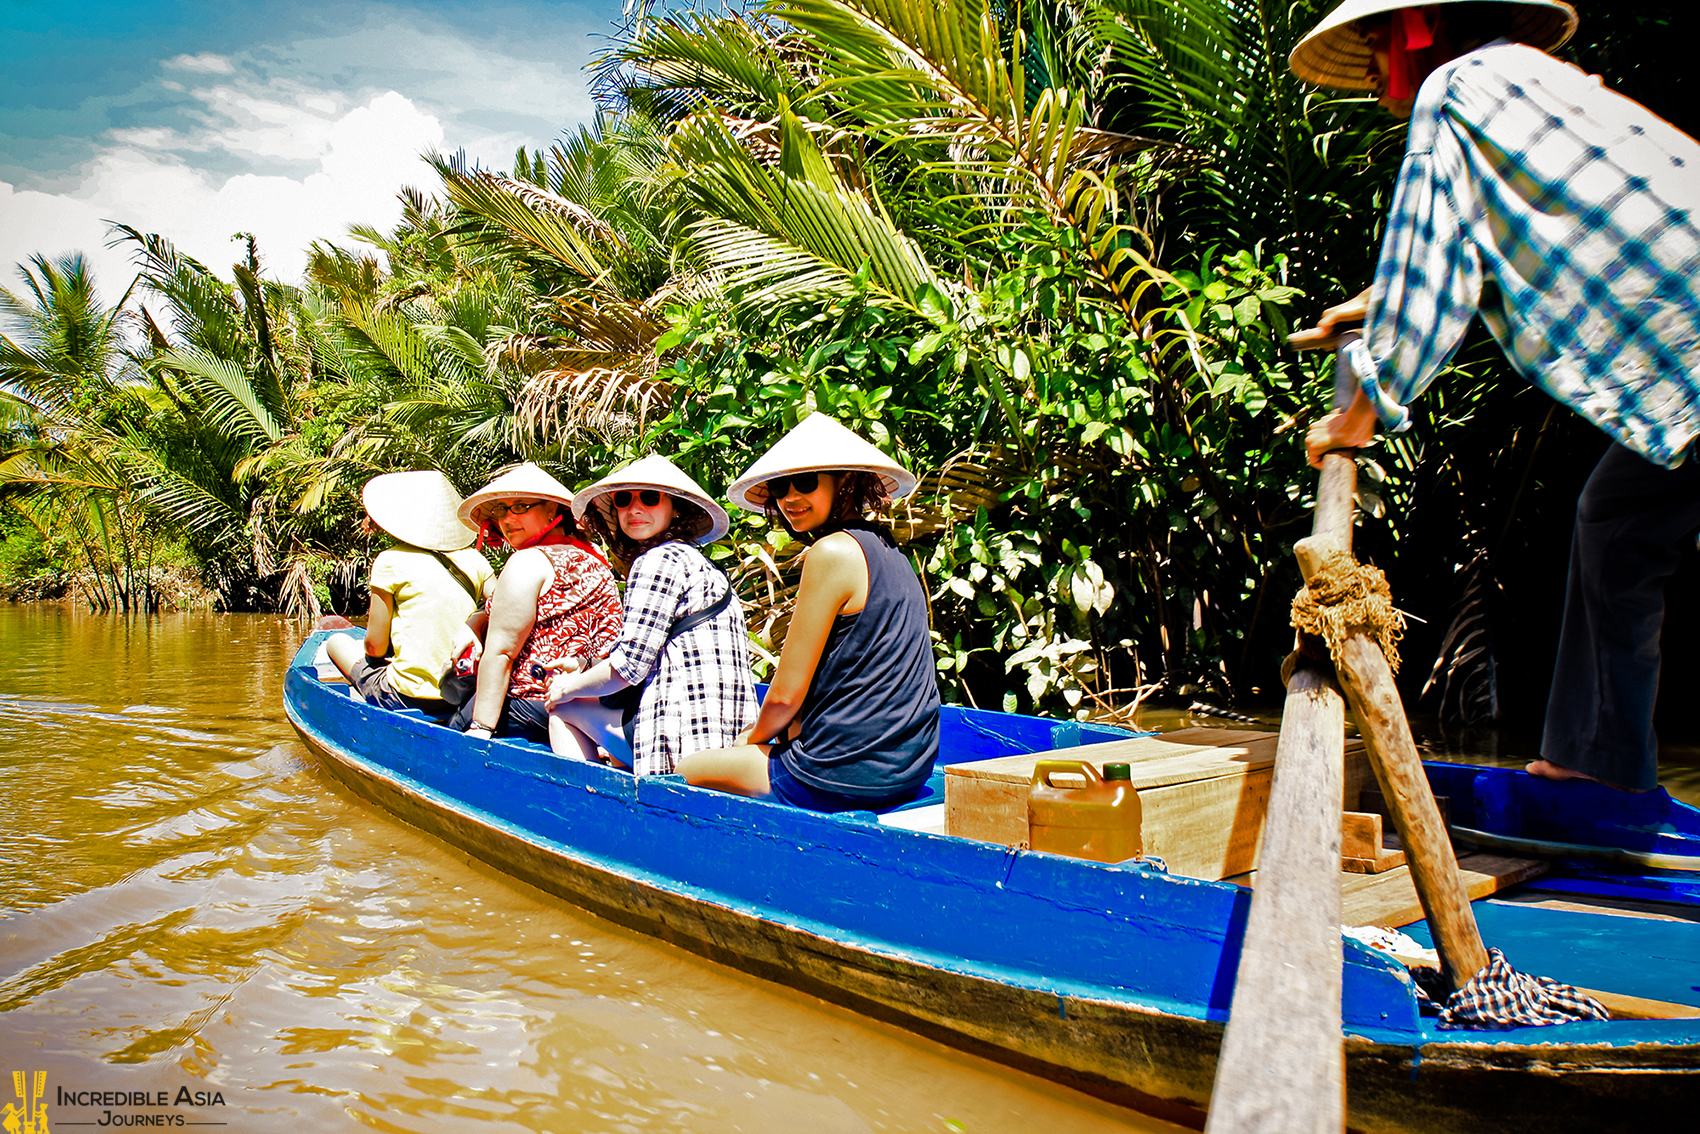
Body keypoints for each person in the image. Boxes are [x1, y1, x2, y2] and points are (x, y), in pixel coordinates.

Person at [1291, 0, 1700, 792]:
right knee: (1616, 519)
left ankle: (1596, 771)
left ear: (1419, 27)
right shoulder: (1530, 81)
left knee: (1617, 521)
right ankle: (1597, 769)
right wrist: (1374, 301)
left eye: (1375, 41)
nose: (1372, 67)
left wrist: (1357, 417)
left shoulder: (1456, 87)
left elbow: (1433, 280)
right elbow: (1481, 237)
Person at [677, 413, 941, 811]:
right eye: (779, 488)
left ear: (845, 481)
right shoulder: (894, 554)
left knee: (687, 768)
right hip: (911, 768)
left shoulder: (831, 552)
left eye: (805, 483)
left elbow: (784, 696)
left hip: (840, 773)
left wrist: (748, 742)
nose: (789, 498)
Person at [543, 455, 759, 773]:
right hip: (728, 737)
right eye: (623, 499)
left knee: (564, 708)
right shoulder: (699, 563)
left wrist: (565, 688)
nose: (634, 509)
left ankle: (589, 807)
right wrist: (583, 666)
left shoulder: (657, 561)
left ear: (675, 508)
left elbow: (627, 667)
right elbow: (648, 647)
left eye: (650, 498)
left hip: (683, 736)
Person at [449, 463, 623, 746]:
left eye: (520, 506)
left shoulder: (527, 561)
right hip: (594, 701)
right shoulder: (593, 558)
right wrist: (477, 619)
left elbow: (502, 652)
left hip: (535, 702)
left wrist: (479, 730)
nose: (507, 519)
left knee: (452, 727)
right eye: (502, 510)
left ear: (552, 510)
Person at [324, 470, 494, 714]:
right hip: (464, 693)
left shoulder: (390, 560)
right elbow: (502, 603)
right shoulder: (475, 559)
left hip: (407, 696)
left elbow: (374, 647)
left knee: (336, 641)